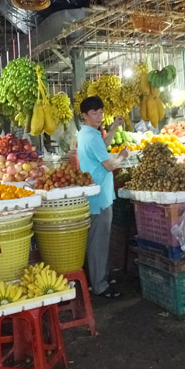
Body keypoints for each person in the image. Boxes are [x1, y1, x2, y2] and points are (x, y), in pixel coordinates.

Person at [77, 97, 128, 298]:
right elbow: (109, 165)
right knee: (98, 242)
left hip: (96, 196)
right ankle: (99, 285)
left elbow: (102, 145)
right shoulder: (90, 136)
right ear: (84, 115)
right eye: (94, 113)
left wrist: (113, 127)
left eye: (100, 112)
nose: (99, 116)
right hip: (98, 198)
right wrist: (122, 156)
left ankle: (100, 277)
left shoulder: (87, 133)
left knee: (97, 240)